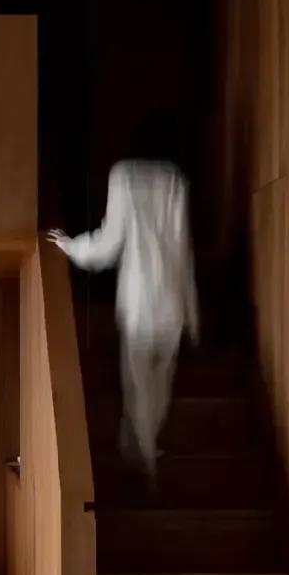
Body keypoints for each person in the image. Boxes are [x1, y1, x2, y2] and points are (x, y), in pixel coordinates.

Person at [50, 159, 199, 473]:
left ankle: (145, 456)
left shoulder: (124, 176)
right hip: (172, 299)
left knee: (138, 383)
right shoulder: (174, 180)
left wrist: (71, 247)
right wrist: (192, 312)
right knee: (160, 382)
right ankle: (141, 446)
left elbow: (109, 243)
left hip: (140, 298)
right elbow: (183, 249)